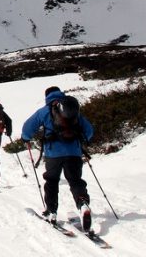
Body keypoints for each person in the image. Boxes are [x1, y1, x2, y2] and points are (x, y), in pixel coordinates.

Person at [20, 86, 95, 230]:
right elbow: (89, 131)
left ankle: (52, 211)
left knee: (52, 181)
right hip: (74, 152)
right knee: (75, 181)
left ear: (47, 96)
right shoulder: (72, 109)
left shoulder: (45, 111)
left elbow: (28, 127)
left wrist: (25, 138)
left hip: (53, 153)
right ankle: (83, 204)